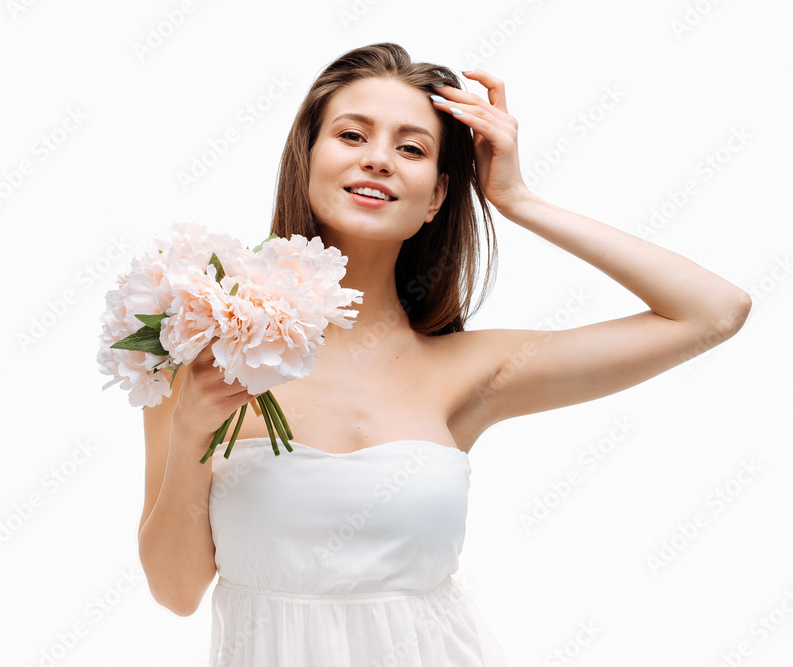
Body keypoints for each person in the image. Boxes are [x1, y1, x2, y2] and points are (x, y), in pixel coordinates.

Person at [137, 42, 751, 666]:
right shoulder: (199, 348)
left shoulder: (469, 372)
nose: (379, 159)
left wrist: (518, 200)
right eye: (352, 135)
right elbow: (176, 590)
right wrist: (190, 422)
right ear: (307, 160)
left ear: (436, 197)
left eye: (411, 149)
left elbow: (713, 311)